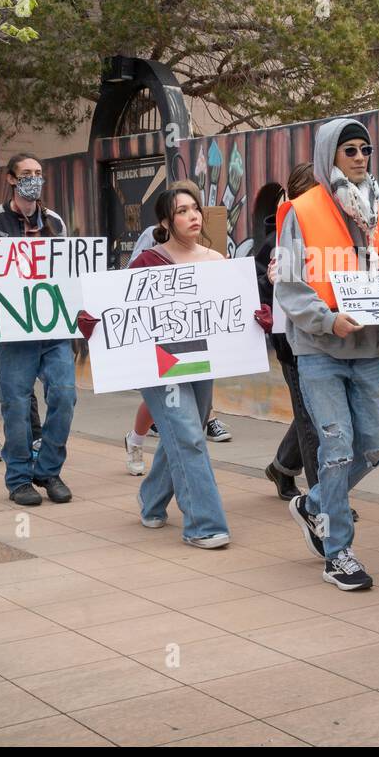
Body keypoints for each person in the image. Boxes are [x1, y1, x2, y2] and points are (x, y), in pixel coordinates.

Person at [276, 118, 379, 590]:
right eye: (348, 149)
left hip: (366, 350)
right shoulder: (301, 210)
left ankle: (313, 504)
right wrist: (326, 319)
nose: (359, 157)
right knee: (336, 450)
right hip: (317, 349)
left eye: (365, 149)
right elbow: (291, 286)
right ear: (327, 155)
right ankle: (339, 552)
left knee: (372, 450)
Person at [126, 187, 232, 547]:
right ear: (165, 222)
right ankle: (204, 525)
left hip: (201, 359)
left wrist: (257, 316)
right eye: (182, 211)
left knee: (187, 433)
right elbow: (124, 308)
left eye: (195, 209)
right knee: (187, 435)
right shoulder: (146, 262)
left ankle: (151, 498)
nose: (193, 216)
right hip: (159, 363)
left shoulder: (217, 260)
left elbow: (229, 311)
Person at [0, 153, 76, 506]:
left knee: (64, 395)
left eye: (39, 173)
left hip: (52, 327)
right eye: (27, 173)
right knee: (16, 405)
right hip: (14, 331)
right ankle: (18, 478)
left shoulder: (55, 222)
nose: (34, 178)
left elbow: (67, 271)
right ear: (12, 179)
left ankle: (48, 469)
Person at [256, 164, 318, 500]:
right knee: (310, 417)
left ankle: (282, 467)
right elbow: (255, 286)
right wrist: (269, 283)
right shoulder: (272, 244)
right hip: (292, 345)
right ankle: (323, 499)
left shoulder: (334, 236)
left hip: (327, 340)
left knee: (314, 412)